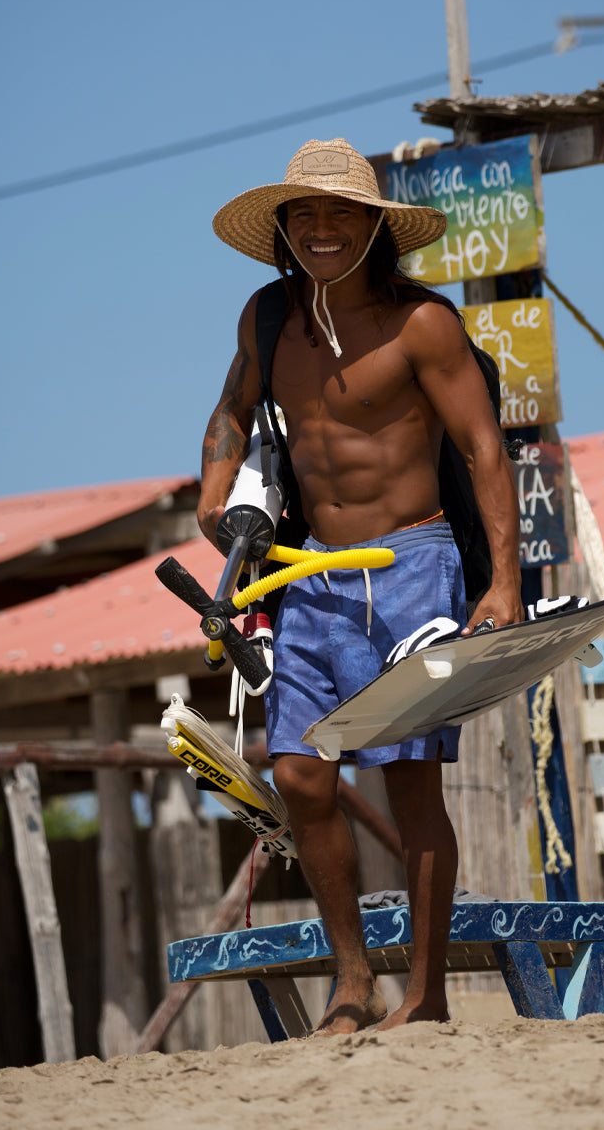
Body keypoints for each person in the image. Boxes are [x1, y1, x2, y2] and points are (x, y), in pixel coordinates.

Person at [198, 137, 523, 1033]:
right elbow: (232, 407)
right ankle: (353, 982)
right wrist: (214, 488)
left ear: (376, 228)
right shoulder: (267, 316)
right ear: (284, 229)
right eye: (305, 215)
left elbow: (483, 449)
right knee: (301, 777)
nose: (323, 230)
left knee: (409, 784)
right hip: (309, 578)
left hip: (414, 570)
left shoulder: (424, 323)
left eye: (342, 214)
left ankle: (425, 993)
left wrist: (504, 584)